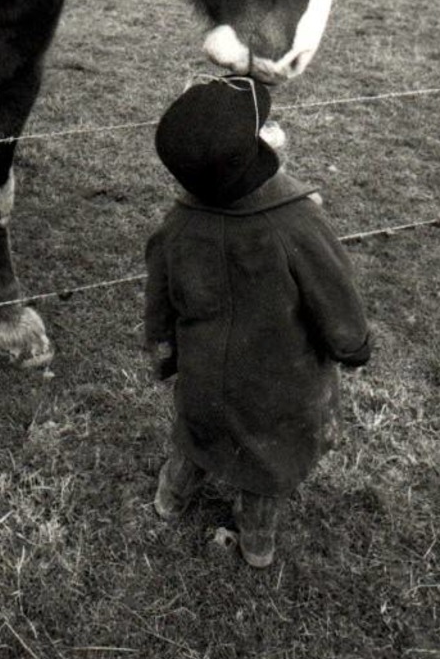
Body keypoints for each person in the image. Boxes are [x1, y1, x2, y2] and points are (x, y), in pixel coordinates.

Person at [144, 74, 370, 567]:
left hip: (204, 378)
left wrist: (165, 352)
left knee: (195, 438)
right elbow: (335, 295)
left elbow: (159, 306)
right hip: (278, 390)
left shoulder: (177, 226)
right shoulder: (296, 223)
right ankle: (257, 543)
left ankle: (169, 500)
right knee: (266, 467)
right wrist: (354, 345)